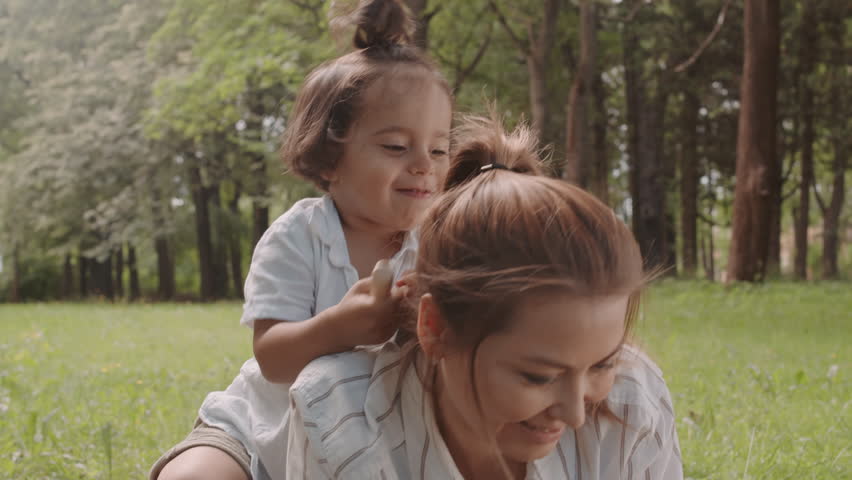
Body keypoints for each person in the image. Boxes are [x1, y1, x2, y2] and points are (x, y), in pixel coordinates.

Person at [285, 114, 683, 479]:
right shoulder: (339, 422)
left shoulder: (633, 405)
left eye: (602, 365)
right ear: (435, 327)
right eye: (538, 376)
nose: (575, 413)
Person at [149, 1, 453, 479]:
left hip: (373, 449)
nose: (423, 165)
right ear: (329, 157)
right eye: (396, 146)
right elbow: (272, 357)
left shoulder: (442, 245)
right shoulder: (299, 236)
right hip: (264, 431)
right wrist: (340, 328)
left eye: (439, 149)